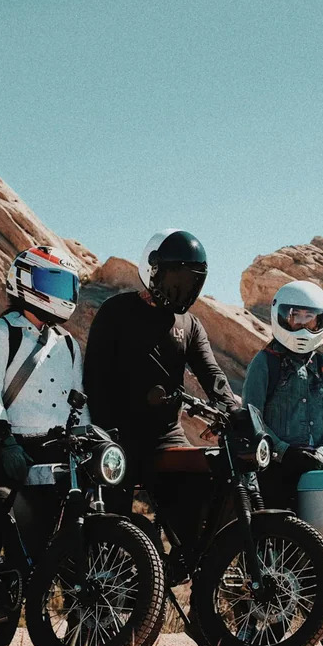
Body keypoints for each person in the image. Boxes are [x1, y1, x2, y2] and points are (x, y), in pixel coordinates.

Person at [84, 229, 234, 544]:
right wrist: (104, 435)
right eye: (176, 280)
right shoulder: (116, 312)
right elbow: (94, 380)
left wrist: (233, 411)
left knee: (202, 493)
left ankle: (187, 568)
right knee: (110, 527)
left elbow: (212, 374)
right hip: (118, 434)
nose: (182, 290)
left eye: (191, 282)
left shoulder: (189, 325)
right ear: (153, 270)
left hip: (167, 435)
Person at [0, 245, 86, 602]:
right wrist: (4, 442)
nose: (59, 294)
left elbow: (78, 400)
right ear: (24, 280)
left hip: (54, 447)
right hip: (10, 441)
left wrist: (84, 438)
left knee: (66, 524)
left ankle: (76, 602)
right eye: (51, 282)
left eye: (65, 285)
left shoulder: (68, 344)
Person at [241, 280, 323, 510]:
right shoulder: (265, 362)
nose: (304, 327)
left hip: (317, 474)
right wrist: (285, 453)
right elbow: (252, 419)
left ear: (322, 321)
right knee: (277, 536)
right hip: (275, 472)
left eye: (311, 319)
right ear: (282, 316)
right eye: (297, 318)